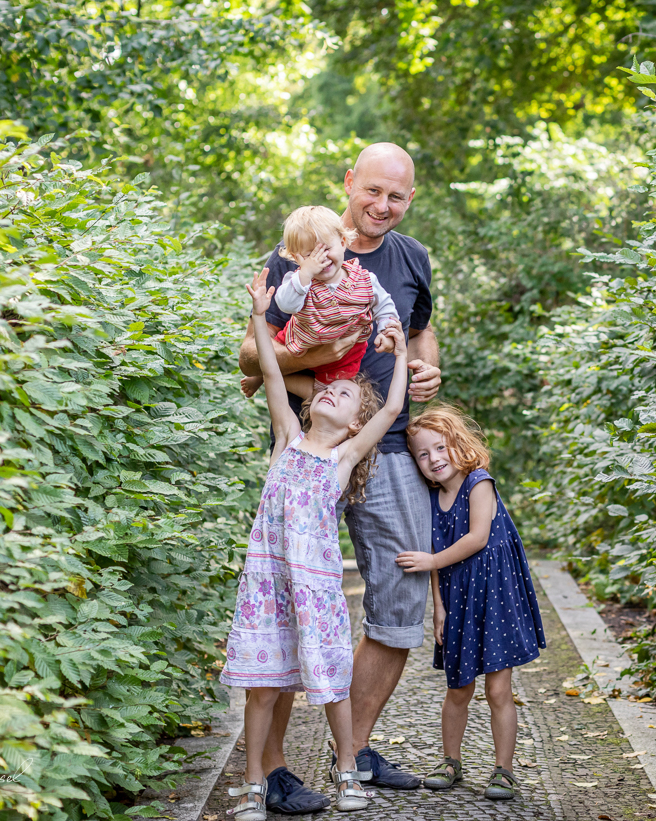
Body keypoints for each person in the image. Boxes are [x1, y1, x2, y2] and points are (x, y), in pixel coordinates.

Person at [236, 143, 441, 805]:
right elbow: (251, 354)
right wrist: (330, 352)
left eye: (397, 197)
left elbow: (419, 331)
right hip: (312, 446)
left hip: (389, 446)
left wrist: (426, 366)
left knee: (403, 600)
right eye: (373, 191)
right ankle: (271, 773)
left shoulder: (410, 259)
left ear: (410, 199)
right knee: (287, 605)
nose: (383, 206)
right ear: (350, 183)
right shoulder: (302, 248)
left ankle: (352, 749)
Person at [219, 265, 410, 818]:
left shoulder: (342, 459)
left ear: (355, 425)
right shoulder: (288, 439)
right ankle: (254, 784)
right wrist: (259, 314)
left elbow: (394, 409)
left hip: (319, 588)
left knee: (330, 683)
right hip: (268, 585)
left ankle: (348, 771)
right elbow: (275, 379)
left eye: (347, 393)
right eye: (330, 388)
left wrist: (398, 355)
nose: (333, 391)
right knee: (263, 686)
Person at [396, 405, 546, 801]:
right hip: (459, 597)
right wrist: (439, 606)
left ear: (457, 444)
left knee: (498, 689)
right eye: (423, 455)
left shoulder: (479, 482)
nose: (434, 460)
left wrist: (430, 561)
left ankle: (504, 770)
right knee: (459, 688)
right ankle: (450, 761)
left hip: (495, 595)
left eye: (439, 448)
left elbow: (477, 538)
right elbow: (435, 555)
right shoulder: (429, 499)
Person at [272, 205, 399, 388]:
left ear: (342, 242)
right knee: (271, 361)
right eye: (310, 255)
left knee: (327, 391)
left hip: (344, 353)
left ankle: (292, 384)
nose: (321, 259)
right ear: (296, 258)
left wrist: (386, 331)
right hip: (300, 338)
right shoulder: (298, 281)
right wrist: (305, 274)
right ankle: (263, 375)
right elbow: (286, 305)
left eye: (326, 249)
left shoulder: (365, 280)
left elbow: (384, 305)